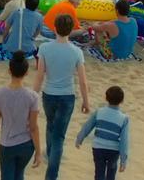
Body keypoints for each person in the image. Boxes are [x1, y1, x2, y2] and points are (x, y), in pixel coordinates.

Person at [33, 14, 90, 180]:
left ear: (55, 29)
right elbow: (83, 81)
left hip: (48, 94)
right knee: (59, 135)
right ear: (71, 30)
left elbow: (39, 75)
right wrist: (86, 101)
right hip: (67, 97)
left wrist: (33, 95)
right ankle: (52, 174)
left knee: (51, 126)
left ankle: (50, 154)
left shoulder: (44, 48)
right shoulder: (77, 52)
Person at [0, 50, 42, 180]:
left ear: (9, 71)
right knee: (19, 174)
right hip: (26, 145)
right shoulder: (33, 96)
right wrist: (38, 151)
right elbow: (33, 127)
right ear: (27, 72)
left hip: (7, 145)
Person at [76, 86, 130, 180]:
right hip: (113, 151)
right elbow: (124, 141)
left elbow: (87, 126)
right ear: (122, 101)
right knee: (111, 175)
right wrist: (123, 161)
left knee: (99, 173)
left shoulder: (99, 112)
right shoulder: (124, 119)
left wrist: (79, 139)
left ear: (106, 98)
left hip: (98, 148)